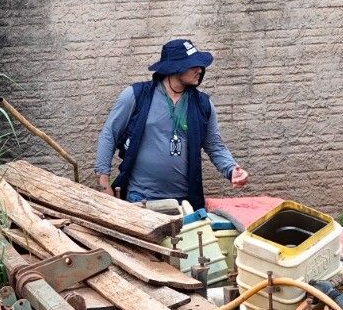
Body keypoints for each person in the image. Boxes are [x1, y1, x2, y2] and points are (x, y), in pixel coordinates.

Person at [93, 38, 249, 205]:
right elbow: (109, 134)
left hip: (184, 201)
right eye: (193, 65)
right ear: (174, 67)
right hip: (139, 198)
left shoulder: (202, 104)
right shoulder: (137, 96)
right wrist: (104, 185)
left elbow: (215, 145)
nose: (200, 70)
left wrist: (231, 169)